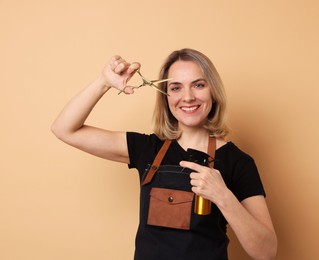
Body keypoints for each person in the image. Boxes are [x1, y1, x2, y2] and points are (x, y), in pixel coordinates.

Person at [51, 48, 277, 260]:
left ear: (214, 92)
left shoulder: (237, 162)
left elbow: (266, 251)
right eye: (176, 87)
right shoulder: (147, 149)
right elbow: (64, 129)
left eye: (198, 85)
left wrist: (223, 196)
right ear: (166, 96)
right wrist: (104, 82)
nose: (187, 97)